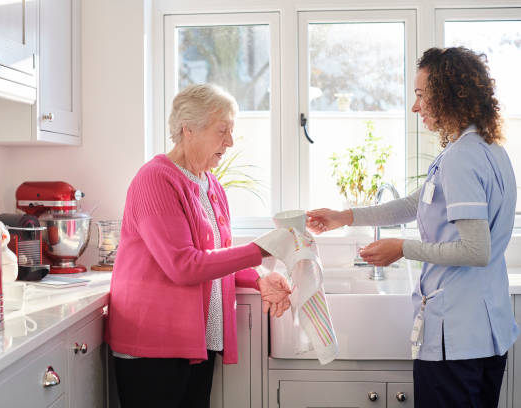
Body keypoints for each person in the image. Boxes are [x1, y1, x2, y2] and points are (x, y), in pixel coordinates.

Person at [306, 47, 518, 407]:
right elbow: (413, 205)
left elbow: (475, 249)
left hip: (456, 340)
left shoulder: (462, 158)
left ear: (448, 95)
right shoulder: (487, 148)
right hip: (485, 335)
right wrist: (346, 216)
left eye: (421, 95)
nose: (415, 107)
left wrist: (402, 249)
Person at [105, 83, 291, 408]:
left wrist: (258, 278)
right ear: (188, 129)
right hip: (154, 345)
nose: (230, 142)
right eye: (222, 131)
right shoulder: (155, 180)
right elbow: (184, 266)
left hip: (198, 342)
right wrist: (263, 249)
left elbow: (215, 260)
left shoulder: (211, 184)